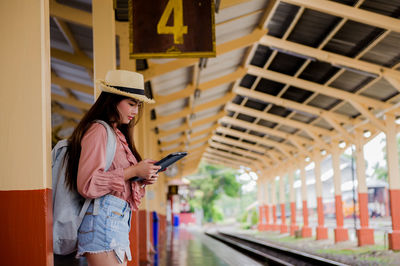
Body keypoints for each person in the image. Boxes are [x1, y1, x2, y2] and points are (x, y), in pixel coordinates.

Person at [64, 69, 161, 265]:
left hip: (115, 220)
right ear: (112, 100)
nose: (135, 111)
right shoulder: (99, 131)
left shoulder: (118, 135)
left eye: (138, 105)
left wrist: (141, 177)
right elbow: (88, 183)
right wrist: (133, 171)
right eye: (131, 104)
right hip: (101, 222)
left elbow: (117, 178)